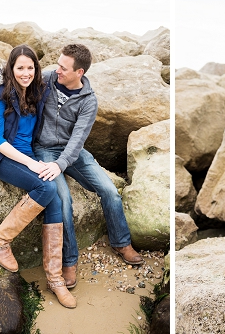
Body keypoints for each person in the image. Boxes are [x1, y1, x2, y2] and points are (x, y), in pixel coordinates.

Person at [32, 43, 144, 289]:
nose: (57, 70)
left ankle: (121, 242)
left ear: (79, 72)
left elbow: (77, 140)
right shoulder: (48, 79)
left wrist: (61, 165)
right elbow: (19, 82)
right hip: (44, 149)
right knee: (63, 201)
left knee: (110, 191)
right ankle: (69, 261)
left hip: (73, 152)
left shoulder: (89, 101)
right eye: (58, 64)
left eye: (63, 67)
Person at [0, 44, 76, 309]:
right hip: (2, 156)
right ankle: (0, 240)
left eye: (30, 67)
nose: (25, 73)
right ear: (11, 69)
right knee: (45, 189)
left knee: (53, 197)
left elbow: (67, 77)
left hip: (29, 153)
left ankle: (55, 280)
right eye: (19, 67)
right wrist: (32, 165)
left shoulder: (37, 92)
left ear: (36, 69)